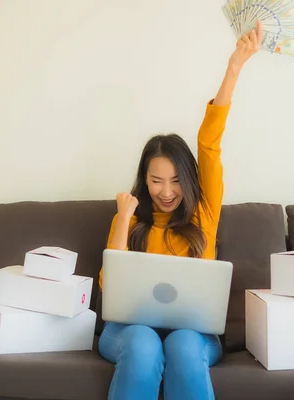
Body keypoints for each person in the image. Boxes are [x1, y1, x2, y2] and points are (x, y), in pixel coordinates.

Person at [98, 21, 264, 400]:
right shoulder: (131, 220)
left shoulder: (204, 212)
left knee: (183, 345)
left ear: (188, 179)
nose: (167, 192)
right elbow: (109, 286)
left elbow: (209, 143)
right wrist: (124, 217)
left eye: (175, 181)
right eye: (156, 181)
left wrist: (234, 67)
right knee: (143, 341)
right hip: (128, 331)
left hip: (193, 335)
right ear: (144, 179)